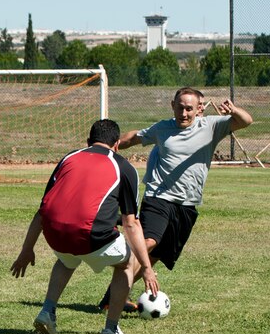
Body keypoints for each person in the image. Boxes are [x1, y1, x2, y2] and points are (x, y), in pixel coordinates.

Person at [98, 87, 253, 310]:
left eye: (189, 109)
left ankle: (113, 298)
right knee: (149, 243)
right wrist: (105, 146)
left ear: (199, 109)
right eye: (180, 108)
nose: (184, 113)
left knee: (155, 256)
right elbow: (134, 138)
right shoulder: (163, 128)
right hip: (158, 196)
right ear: (173, 106)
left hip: (187, 205)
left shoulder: (211, 126)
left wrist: (234, 110)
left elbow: (246, 121)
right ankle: (113, 299)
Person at [11, 119, 159, 334]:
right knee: (127, 263)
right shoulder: (124, 167)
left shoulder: (69, 157)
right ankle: (111, 328)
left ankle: (47, 311)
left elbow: (43, 210)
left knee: (67, 258)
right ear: (117, 144)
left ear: (88, 142)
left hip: (54, 233)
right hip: (91, 236)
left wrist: (27, 249)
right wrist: (146, 268)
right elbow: (131, 222)